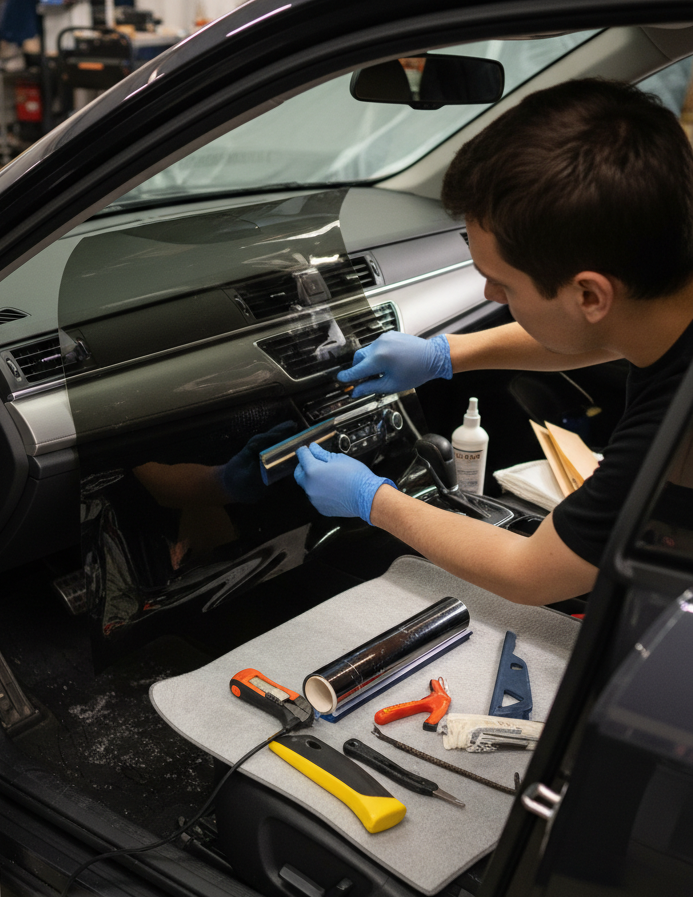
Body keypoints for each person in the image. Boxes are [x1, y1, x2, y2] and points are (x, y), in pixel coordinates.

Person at [294, 78, 693, 605]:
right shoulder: (661, 300)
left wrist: (373, 501)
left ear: (590, 294)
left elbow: (532, 572)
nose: (488, 292)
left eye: (503, 284)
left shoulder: (675, 425)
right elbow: (611, 334)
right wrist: (446, 355)